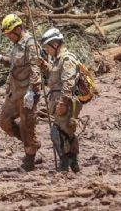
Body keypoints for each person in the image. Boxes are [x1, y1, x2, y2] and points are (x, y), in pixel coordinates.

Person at [0, 14, 41, 171]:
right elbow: (13, 64)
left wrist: (33, 90)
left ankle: (29, 158)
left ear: (19, 29)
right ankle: (31, 142)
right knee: (4, 121)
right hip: (14, 92)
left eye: (10, 33)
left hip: (27, 94)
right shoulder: (16, 44)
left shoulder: (30, 44)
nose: (9, 37)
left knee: (27, 125)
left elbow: (35, 68)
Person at [37, 28, 82, 172]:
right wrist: (44, 66)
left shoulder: (67, 59)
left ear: (55, 44)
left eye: (47, 47)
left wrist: (63, 102)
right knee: (66, 133)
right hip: (58, 100)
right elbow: (54, 76)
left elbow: (68, 82)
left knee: (58, 132)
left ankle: (65, 164)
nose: (46, 50)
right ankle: (73, 164)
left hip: (65, 102)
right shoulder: (57, 60)